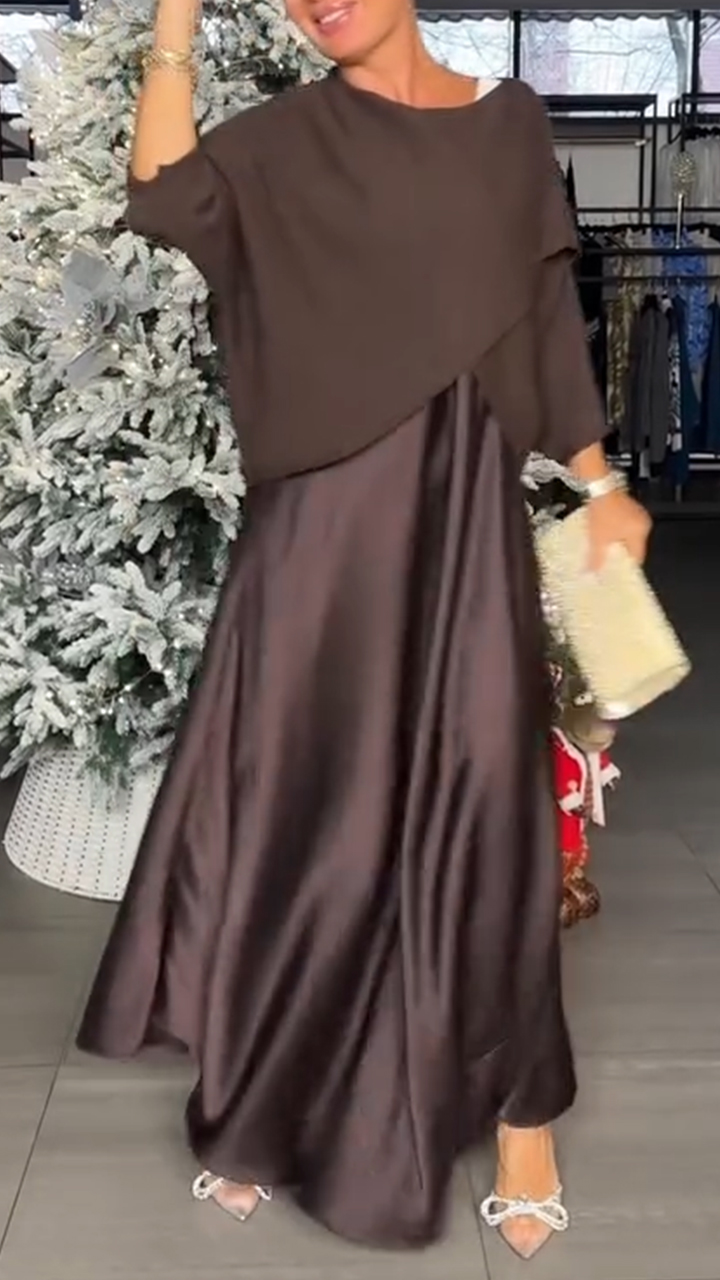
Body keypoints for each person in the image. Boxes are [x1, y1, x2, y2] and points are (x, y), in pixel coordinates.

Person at [77, 0, 652, 1261]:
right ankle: (265, 1101)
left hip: (459, 524)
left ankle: (523, 1114)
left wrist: (601, 482)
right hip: (315, 535)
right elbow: (164, 193)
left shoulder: (506, 126)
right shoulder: (285, 138)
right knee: (305, 807)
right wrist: (176, 17)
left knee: (490, 806)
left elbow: (541, 321)